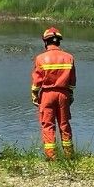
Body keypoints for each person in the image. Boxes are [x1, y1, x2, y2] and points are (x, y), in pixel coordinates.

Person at [31, 27, 76, 160]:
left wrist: (34, 95)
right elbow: (72, 81)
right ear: (59, 42)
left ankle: (51, 157)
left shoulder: (40, 58)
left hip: (47, 95)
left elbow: (37, 80)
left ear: (46, 42)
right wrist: (70, 95)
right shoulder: (69, 57)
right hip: (63, 94)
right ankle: (69, 155)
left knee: (48, 125)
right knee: (64, 124)